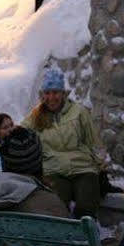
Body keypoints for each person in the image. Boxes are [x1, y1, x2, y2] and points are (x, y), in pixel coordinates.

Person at [21, 68, 106, 218]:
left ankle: (85, 238)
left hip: (83, 167)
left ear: (63, 93)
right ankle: (63, 237)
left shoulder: (79, 112)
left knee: (86, 206)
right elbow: (19, 132)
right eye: (47, 93)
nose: (51, 97)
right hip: (54, 170)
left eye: (55, 92)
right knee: (57, 206)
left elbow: (93, 142)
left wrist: (100, 166)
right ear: (43, 95)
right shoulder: (36, 115)